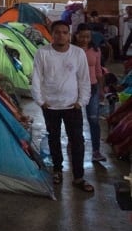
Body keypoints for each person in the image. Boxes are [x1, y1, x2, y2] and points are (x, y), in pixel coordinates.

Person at [31, 20, 93, 191]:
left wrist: (81, 102)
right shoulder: (42, 53)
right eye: (57, 32)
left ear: (69, 35)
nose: (61, 35)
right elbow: (36, 78)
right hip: (50, 106)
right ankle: (57, 170)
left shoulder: (78, 53)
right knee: (54, 138)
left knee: (77, 141)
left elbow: (84, 80)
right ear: (52, 34)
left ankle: (79, 177)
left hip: (72, 106)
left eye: (65, 32)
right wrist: (41, 101)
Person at [74, 23, 106, 162]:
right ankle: (75, 144)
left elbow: (99, 71)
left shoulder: (95, 50)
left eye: (87, 37)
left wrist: (101, 89)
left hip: (92, 88)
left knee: (93, 119)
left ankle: (96, 151)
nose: (85, 39)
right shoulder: (70, 50)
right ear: (76, 35)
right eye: (82, 36)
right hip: (74, 89)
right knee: (75, 120)